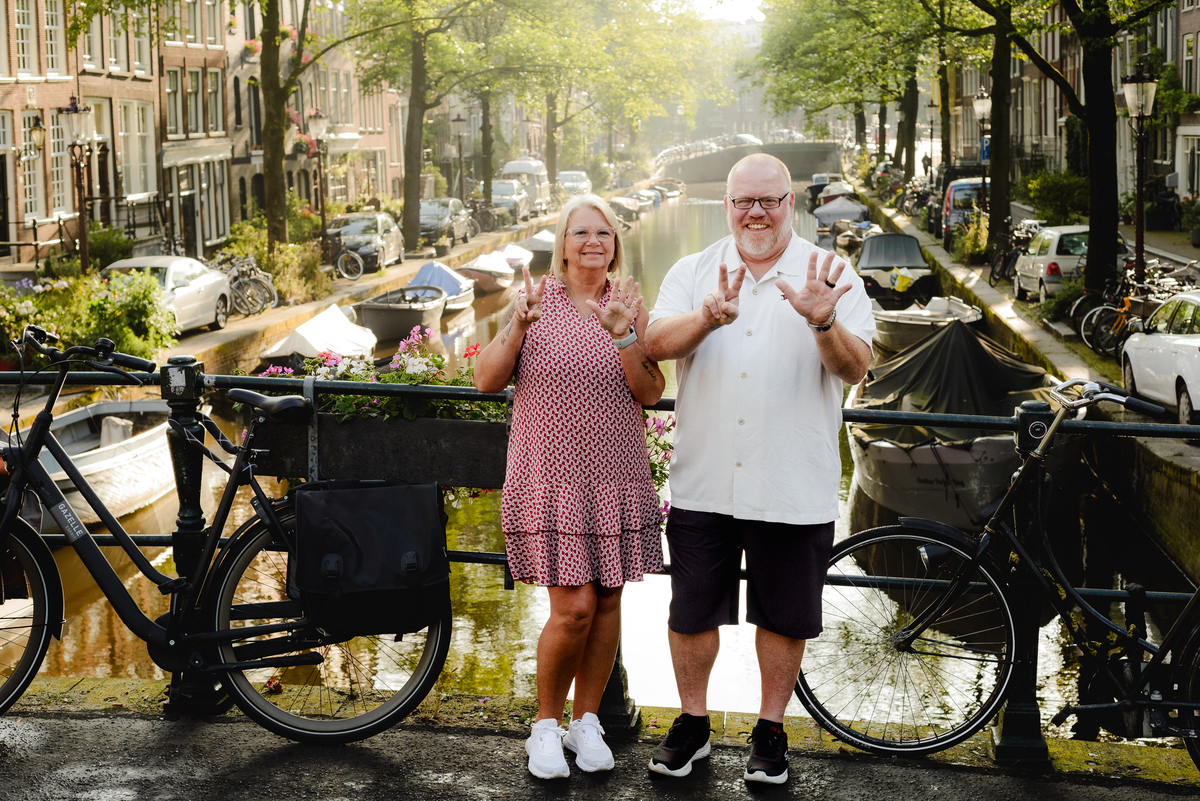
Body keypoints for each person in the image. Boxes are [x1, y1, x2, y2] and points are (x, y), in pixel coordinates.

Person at [642, 153, 874, 785]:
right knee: (690, 611)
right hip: (705, 477)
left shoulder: (830, 273)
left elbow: (856, 368)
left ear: (790, 203)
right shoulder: (694, 272)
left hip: (790, 477)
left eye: (769, 200)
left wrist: (822, 320)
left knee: (783, 613)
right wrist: (708, 317)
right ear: (726, 205)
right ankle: (693, 724)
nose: (756, 213)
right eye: (744, 201)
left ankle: (771, 728)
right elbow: (654, 346)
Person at [473, 194, 666, 780]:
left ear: (615, 245)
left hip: (616, 473)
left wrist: (625, 336)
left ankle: (587, 722)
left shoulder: (630, 304)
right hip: (549, 476)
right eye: (580, 233)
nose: (592, 243)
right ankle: (544, 727)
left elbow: (652, 392)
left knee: (608, 601)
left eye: (602, 234)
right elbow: (485, 381)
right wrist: (517, 326)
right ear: (561, 244)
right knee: (574, 607)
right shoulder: (533, 302)